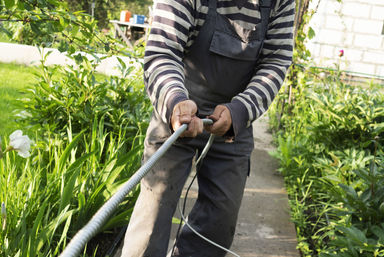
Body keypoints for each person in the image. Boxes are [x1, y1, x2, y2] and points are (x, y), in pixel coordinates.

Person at [121, 0, 295, 256]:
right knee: (151, 219)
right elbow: (162, 52)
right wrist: (176, 103)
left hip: (235, 120)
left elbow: (276, 61)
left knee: (218, 223)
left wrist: (240, 111)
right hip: (176, 113)